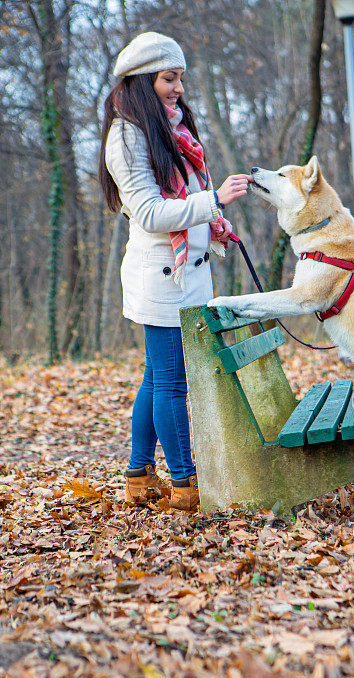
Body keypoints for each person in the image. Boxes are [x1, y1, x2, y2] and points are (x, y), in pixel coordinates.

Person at [99, 32, 252, 512]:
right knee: (170, 381)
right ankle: (186, 486)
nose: (178, 87)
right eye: (169, 78)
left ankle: (138, 475)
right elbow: (148, 213)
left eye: (181, 77)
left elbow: (183, 203)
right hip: (161, 278)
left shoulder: (172, 131)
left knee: (156, 375)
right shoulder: (127, 135)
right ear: (143, 81)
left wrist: (216, 224)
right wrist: (214, 201)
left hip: (187, 275)